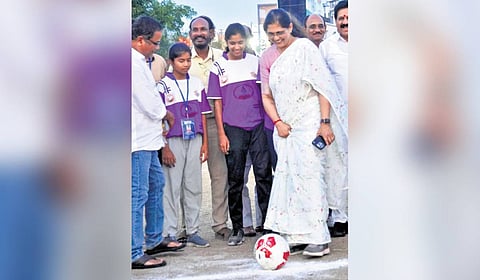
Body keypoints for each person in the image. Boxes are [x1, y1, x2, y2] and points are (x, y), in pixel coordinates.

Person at [261, 9, 348, 257]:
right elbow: (266, 95)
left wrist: (324, 122)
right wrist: (278, 121)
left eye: (280, 32)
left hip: (309, 120)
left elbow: (323, 88)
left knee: (310, 176)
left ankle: (319, 237)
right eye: (271, 34)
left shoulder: (305, 49)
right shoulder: (270, 56)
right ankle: (297, 235)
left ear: (290, 27)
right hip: (286, 127)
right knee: (289, 179)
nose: (276, 38)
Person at [207, 23, 273, 246]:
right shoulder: (218, 68)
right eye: (232, 42)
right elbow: (217, 104)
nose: (237, 46)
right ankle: (237, 228)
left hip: (257, 128)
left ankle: (267, 224)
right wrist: (223, 134)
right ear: (225, 42)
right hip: (233, 129)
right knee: (235, 179)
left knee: (264, 176)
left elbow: (265, 94)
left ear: (246, 41)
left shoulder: (255, 62)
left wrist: (267, 124)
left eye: (240, 42)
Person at [131, 15, 184, 269]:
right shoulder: (130, 62)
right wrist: (166, 113)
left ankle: (153, 240)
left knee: (156, 185)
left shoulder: (141, 61)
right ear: (140, 40)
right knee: (137, 194)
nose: (157, 48)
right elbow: (147, 101)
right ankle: (132, 252)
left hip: (150, 138)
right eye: (155, 42)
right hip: (137, 139)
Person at [159, 42, 212, 248]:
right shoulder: (163, 85)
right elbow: (158, 119)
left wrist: (205, 144)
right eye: (181, 60)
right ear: (171, 62)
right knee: (171, 187)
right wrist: (165, 147)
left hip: (194, 138)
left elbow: (204, 116)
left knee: (193, 185)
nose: (186, 64)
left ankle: (192, 230)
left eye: (189, 60)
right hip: (173, 139)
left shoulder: (197, 83)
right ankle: (170, 232)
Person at [187, 16, 232, 241]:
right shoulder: (182, 59)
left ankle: (220, 224)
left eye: (203, 29)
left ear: (212, 33)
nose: (199, 33)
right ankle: (184, 228)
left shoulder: (222, 59)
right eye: (195, 30)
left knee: (219, 174)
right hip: (190, 125)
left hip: (217, 122)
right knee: (187, 177)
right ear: (190, 34)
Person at [320, 0, 349, 237]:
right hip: (339, 116)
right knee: (337, 165)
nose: (345, 21)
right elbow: (323, 87)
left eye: (349, 16)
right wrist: (325, 121)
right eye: (341, 17)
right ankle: (340, 217)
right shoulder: (327, 47)